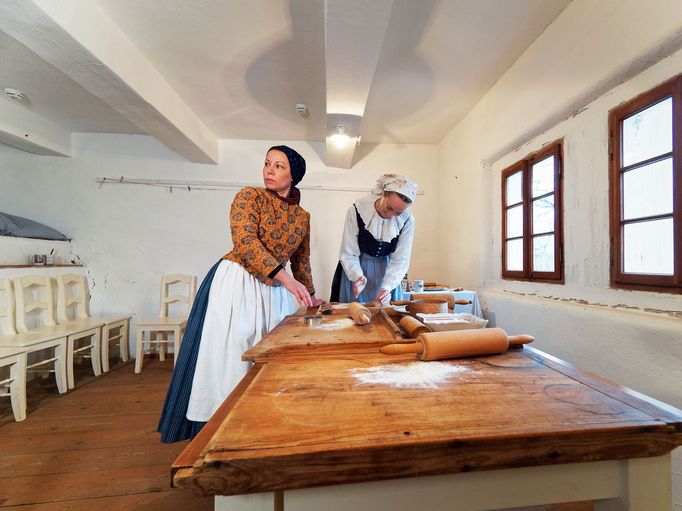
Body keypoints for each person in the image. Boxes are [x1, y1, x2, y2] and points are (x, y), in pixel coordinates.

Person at [158, 145, 321, 443]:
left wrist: (310, 295)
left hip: (275, 290)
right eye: (267, 164)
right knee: (230, 354)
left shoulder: (302, 217)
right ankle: (221, 432)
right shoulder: (249, 196)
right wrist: (286, 280)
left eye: (279, 166)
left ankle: (260, 423)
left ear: (294, 174)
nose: (269, 170)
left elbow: (301, 261)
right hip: (237, 281)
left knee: (269, 354)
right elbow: (245, 241)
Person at [330, 174, 417, 305]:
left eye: (398, 213)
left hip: (387, 272)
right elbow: (349, 252)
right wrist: (357, 276)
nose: (391, 215)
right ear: (383, 194)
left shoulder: (407, 220)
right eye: (389, 208)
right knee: (354, 315)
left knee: (387, 317)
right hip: (356, 269)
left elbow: (400, 259)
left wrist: (387, 287)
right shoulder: (357, 211)